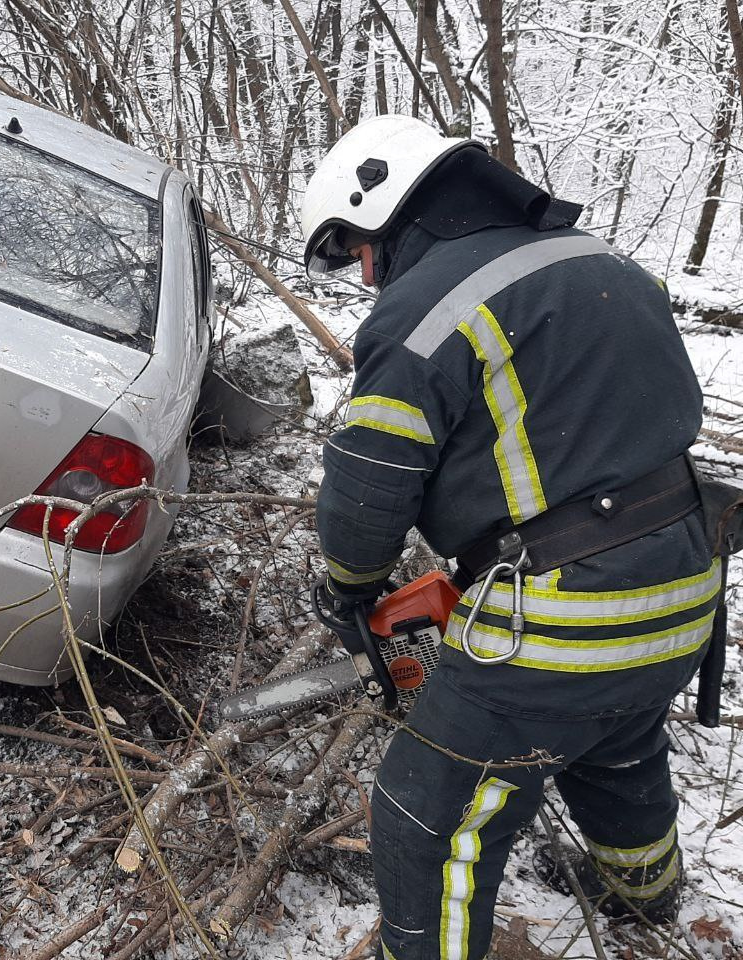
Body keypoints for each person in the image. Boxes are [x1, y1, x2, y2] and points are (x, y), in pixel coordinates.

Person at [301, 115, 716, 960]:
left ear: (386, 212)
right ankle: (644, 894)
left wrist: (348, 585)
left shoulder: (424, 307)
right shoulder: (605, 263)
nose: (365, 275)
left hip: (567, 619)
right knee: (618, 738)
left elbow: (371, 481)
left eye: (356, 251)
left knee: (429, 814)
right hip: (687, 588)